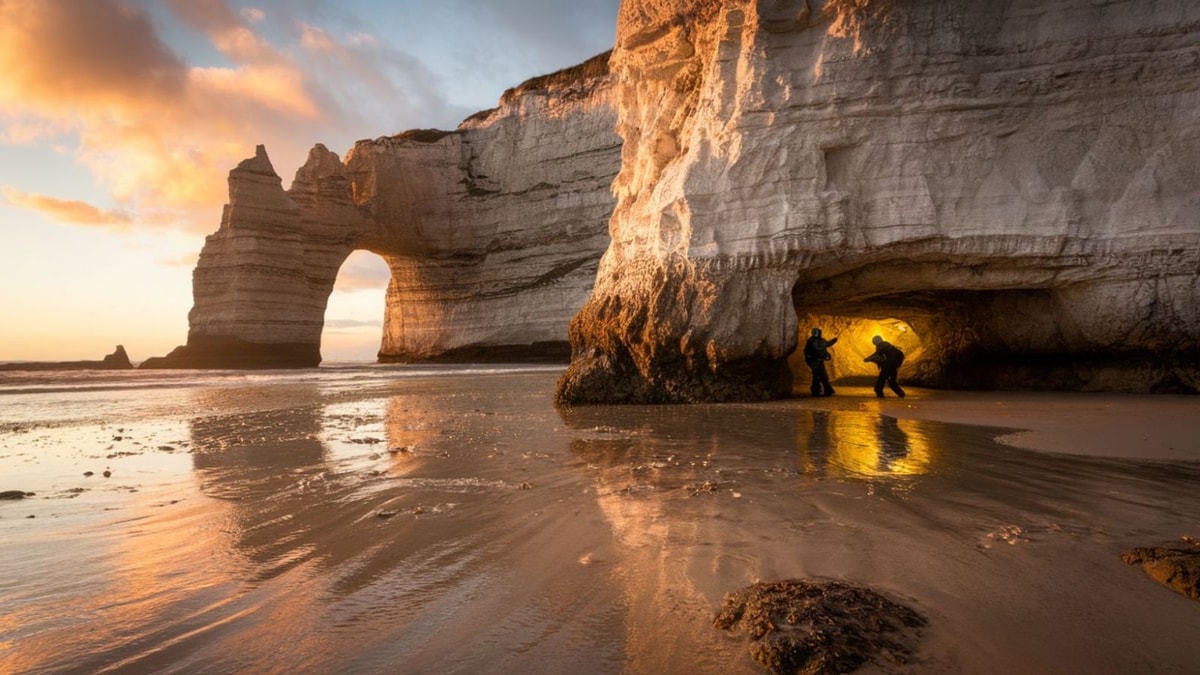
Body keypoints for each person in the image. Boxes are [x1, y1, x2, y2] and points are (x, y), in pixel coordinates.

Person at [803, 327, 838, 396]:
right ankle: (818, 390)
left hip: (820, 361)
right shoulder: (811, 341)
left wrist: (834, 340)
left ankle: (823, 390)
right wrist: (809, 359)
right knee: (818, 375)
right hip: (814, 361)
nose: (816, 334)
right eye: (815, 332)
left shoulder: (821, 340)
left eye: (817, 332)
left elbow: (827, 345)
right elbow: (807, 351)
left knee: (821, 375)